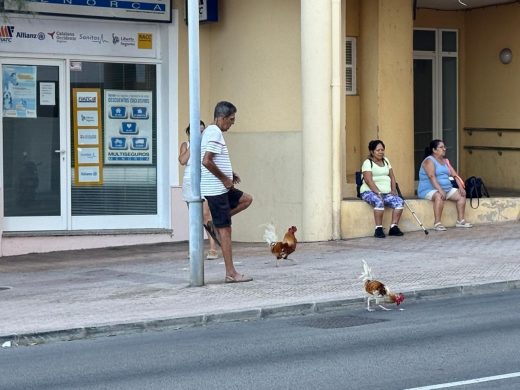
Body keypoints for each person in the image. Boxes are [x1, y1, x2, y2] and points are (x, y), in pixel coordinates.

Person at [201, 101, 253, 283]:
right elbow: (206, 161)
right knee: (226, 231)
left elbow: (212, 159)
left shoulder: (210, 131)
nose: (232, 123)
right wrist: (224, 178)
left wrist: (229, 174)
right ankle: (231, 273)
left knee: (246, 199)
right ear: (221, 118)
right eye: (231, 120)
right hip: (217, 189)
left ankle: (217, 222)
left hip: (221, 187)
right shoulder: (214, 132)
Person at [178, 120, 219, 260]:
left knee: (206, 215)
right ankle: (194, 247)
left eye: (203, 130)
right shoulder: (186, 145)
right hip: (189, 181)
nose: (201, 133)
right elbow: (182, 161)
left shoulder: (207, 145)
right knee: (194, 217)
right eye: (198, 131)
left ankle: (213, 248)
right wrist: (193, 144)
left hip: (204, 180)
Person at [417, 139, 472, 231]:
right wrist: (440, 190)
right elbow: (431, 176)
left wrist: (461, 187)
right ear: (434, 150)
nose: (444, 149)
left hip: (446, 189)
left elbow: (455, 175)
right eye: (441, 147)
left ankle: (460, 221)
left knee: (462, 195)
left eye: (444, 147)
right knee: (439, 196)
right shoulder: (429, 160)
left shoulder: (445, 161)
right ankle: (437, 223)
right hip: (428, 190)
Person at [359, 140, 405, 238]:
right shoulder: (367, 163)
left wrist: (393, 190)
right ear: (372, 152)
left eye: (382, 150)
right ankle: (378, 229)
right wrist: (377, 192)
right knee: (378, 201)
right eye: (378, 150)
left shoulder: (386, 161)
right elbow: (368, 180)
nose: (381, 152)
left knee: (399, 202)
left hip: (386, 192)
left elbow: (392, 177)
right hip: (369, 191)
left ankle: (394, 227)